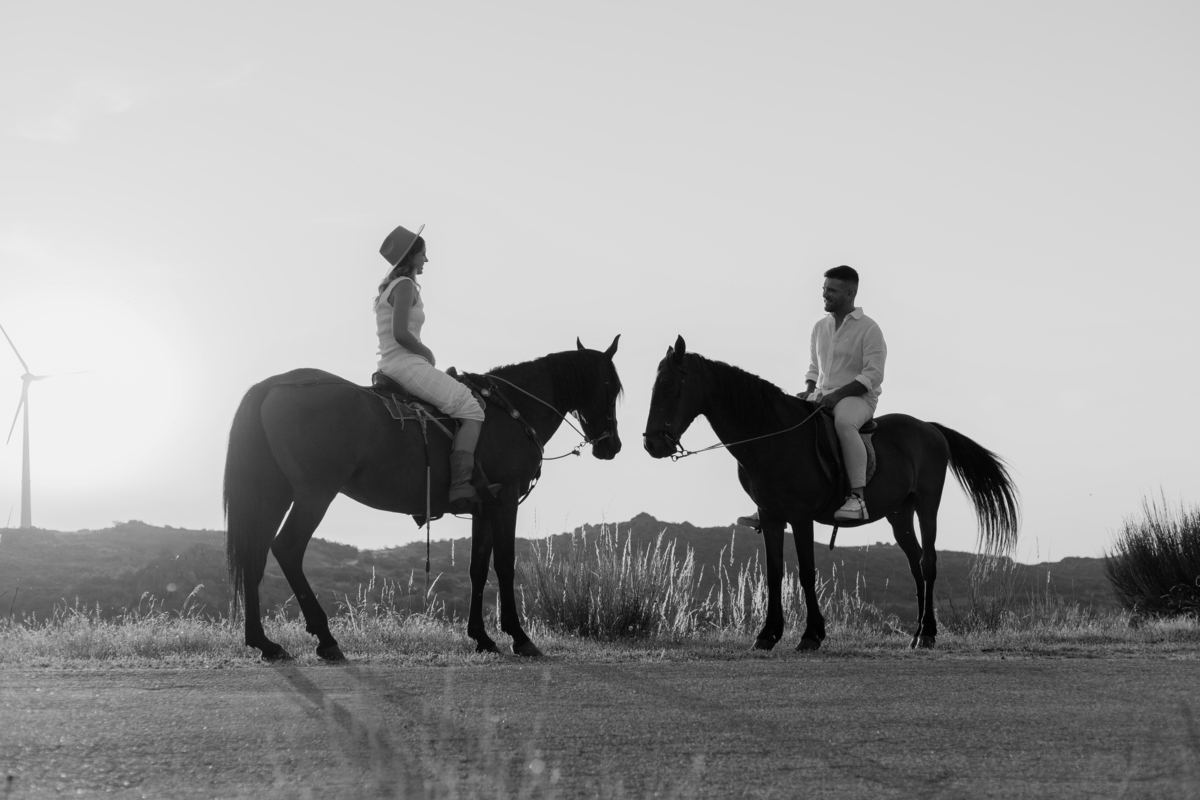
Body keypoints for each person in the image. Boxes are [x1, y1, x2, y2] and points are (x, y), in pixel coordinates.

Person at [737, 264, 887, 526]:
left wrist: (838, 395)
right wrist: (808, 389)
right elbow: (814, 367)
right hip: (821, 395)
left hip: (859, 399)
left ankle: (857, 498)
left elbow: (872, 376)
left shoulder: (869, 329)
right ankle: (770, 503)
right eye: (824, 289)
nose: (825, 294)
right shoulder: (820, 327)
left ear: (850, 294)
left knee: (843, 422)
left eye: (832, 290)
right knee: (786, 420)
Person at [374, 223, 488, 512]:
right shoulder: (405, 286)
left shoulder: (391, 287)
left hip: (393, 364)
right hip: (406, 364)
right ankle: (460, 484)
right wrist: (427, 352)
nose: (426, 260)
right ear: (411, 255)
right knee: (473, 409)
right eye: (423, 254)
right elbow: (401, 334)